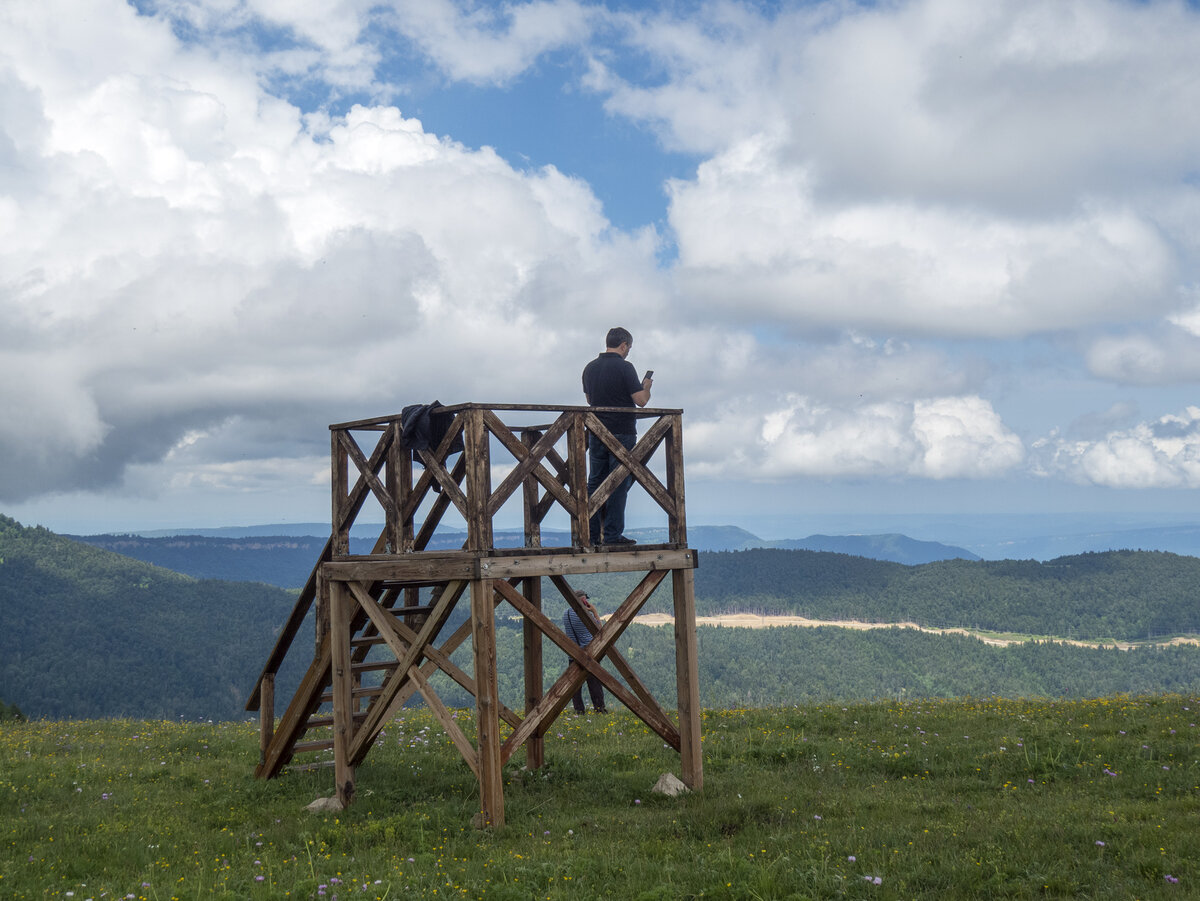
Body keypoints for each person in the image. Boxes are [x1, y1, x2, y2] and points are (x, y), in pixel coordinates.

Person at [581, 326, 652, 545]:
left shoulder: (589, 368)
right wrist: (647, 386)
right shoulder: (625, 367)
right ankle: (612, 535)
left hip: (596, 430)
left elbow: (589, 400)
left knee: (595, 481)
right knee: (619, 482)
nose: (628, 350)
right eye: (629, 347)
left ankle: (592, 535)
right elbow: (641, 401)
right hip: (622, 431)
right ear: (624, 345)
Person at [563, 590, 607, 714]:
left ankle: (579, 710)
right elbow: (600, 630)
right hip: (589, 652)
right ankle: (600, 709)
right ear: (583, 600)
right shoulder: (585, 615)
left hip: (573, 653)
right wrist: (594, 612)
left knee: (575, 686)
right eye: (585, 600)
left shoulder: (565, 614)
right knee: (594, 683)